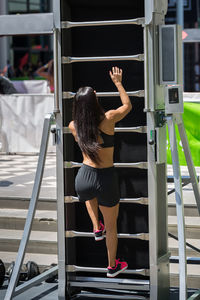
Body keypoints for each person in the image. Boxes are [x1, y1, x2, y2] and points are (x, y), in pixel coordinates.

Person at [69, 67, 132, 278]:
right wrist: (118, 83)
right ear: (93, 102)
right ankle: (112, 266)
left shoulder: (73, 125)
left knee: (88, 195)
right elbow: (127, 105)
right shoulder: (108, 118)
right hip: (105, 177)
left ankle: (96, 227)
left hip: (83, 177)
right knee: (112, 228)